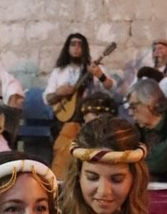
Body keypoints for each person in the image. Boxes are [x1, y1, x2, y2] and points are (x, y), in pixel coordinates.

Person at [46, 32, 116, 177]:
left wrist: (99, 75)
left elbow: (111, 87)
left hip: (89, 120)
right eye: (73, 44)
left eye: (80, 44)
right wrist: (59, 93)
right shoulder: (58, 72)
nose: (77, 48)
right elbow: (47, 98)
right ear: (67, 48)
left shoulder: (95, 68)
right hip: (64, 120)